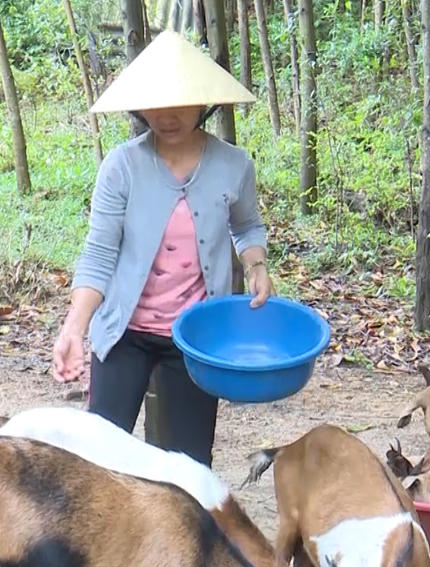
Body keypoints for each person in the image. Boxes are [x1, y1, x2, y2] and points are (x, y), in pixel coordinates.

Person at [51, 30, 274, 469]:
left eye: (180, 103)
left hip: (194, 335)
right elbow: (99, 252)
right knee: (98, 462)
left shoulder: (234, 165)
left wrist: (256, 265)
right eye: (155, 103)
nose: (166, 115)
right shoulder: (121, 167)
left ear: (204, 102)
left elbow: (246, 226)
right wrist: (74, 328)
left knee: (187, 467)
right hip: (125, 331)